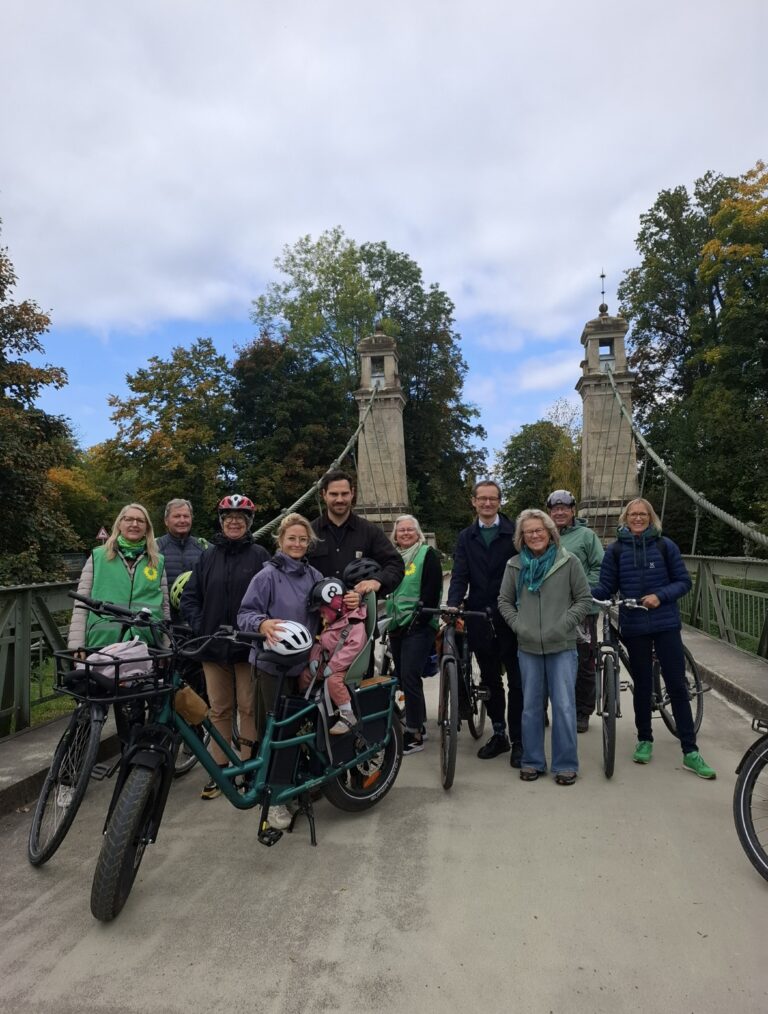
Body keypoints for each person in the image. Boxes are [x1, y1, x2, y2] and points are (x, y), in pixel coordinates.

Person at [591, 497, 716, 779]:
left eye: (642, 514)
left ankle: (690, 751)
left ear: (651, 517)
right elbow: (607, 587)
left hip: (665, 624)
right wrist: (579, 589)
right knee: (643, 685)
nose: (637, 518)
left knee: (676, 684)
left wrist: (661, 596)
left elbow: (684, 582)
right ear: (625, 518)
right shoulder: (616, 551)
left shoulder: (665, 545)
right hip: (634, 625)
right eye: (633, 514)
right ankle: (644, 739)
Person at [180, 494, 270, 800]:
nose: (234, 522)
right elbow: (191, 595)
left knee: (248, 706)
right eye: (229, 517)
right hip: (213, 645)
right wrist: (199, 624)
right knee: (218, 708)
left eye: (241, 518)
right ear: (221, 522)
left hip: (248, 646)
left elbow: (270, 595)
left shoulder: (260, 555)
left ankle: (246, 765)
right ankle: (219, 768)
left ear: (248, 523)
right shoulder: (207, 556)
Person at [237, 513, 324, 827]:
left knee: (299, 730)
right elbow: (246, 613)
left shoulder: (314, 575)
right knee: (274, 733)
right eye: (292, 539)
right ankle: (273, 799)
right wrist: (261, 623)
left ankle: (294, 786)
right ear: (281, 541)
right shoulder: (266, 576)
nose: (297, 544)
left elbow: (328, 607)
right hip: (271, 665)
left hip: (303, 666)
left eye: (303, 539)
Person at [498, 509, 592, 785]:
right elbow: (504, 601)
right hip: (527, 646)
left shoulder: (568, 561)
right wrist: (519, 625)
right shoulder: (515, 565)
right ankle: (532, 761)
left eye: (539, 530)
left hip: (562, 645)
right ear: (521, 537)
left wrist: (565, 623)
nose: (535, 535)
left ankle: (565, 764)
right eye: (529, 532)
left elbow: (584, 599)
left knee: (563, 706)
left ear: (550, 533)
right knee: (530, 707)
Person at [447, 480, 524, 765]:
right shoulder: (466, 537)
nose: (488, 503)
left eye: (493, 499)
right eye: (483, 499)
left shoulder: (515, 533)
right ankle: (499, 733)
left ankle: (519, 739)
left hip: (511, 616)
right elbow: (459, 574)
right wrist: (454, 602)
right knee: (490, 679)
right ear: (474, 502)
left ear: (500, 502)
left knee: (518, 681)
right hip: (479, 615)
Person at [68, 502, 170, 650]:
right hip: (103, 645)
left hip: (147, 644)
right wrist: (77, 646)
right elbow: (82, 603)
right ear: (119, 524)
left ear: (147, 527)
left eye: (140, 521)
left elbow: (164, 607)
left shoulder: (157, 561)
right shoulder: (98, 557)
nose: (134, 524)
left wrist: (165, 645)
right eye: (128, 519)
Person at [546, 489, 604, 733]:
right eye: (555, 508)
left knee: (584, 662)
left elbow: (599, 568)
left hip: (582, 610)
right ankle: (549, 709)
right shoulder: (543, 535)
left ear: (572, 511)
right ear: (549, 512)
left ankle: (582, 711)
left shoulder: (587, 536)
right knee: (549, 660)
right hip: (550, 610)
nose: (560, 512)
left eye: (564, 508)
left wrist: (577, 590)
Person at [384, 514, 442, 755]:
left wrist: (418, 620)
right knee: (404, 676)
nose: (406, 533)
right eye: (401, 530)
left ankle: (415, 732)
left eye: (410, 530)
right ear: (395, 535)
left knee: (409, 675)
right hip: (396, 625)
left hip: (419, 624)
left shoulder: (426, 554)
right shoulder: (391, 559)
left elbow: (431, 589)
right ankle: (419, 723)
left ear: (418, 533)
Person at [307, 470, 404, 597]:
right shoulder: (309, 532)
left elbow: (395, 564)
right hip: (318, 613)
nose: (340, 499)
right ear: (324, 495)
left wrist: (378, 581)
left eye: (345, 494)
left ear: (352, 493)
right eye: (334, 494)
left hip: (361, 613)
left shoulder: (370, 531)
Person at [297, 578, 368, 734]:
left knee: (333, 681)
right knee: (305, 675)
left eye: (323, 612)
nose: (322, 617)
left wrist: (334, 666)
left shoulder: (354, 623)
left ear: (336, 606)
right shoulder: (332, 623)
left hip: (345, 668)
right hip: (328, 664)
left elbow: (353, 648)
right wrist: (314, 658)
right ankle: (308, 707)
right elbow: (319, 644)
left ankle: (348, 715)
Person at [156, 498, 209, 619]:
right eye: (177, 516)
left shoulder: (205, 548)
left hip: (197, 620)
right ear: (166, 521)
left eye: (186, 516)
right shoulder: (154, 548)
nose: (182, 520)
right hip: (165, 621)